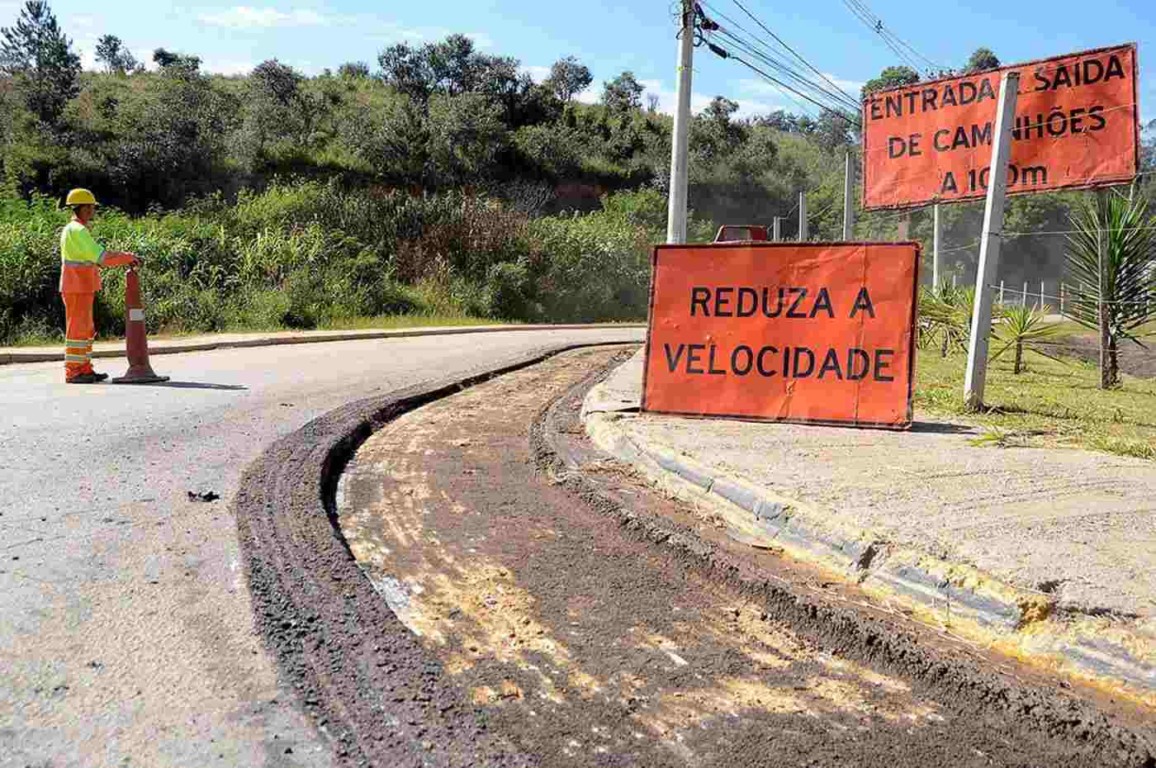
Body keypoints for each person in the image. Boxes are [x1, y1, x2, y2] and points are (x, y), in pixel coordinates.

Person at [59, 189, 139, 383]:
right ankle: (74, 371)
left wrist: (123, 255)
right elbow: (101, 257)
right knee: (77, 330)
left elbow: (98, 256)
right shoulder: (77, 230)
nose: (93, 211)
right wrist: (127, 257)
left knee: (85, 330)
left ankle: (84, 368)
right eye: (91, 208)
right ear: (84, 209)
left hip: (82, 286)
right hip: (76, 286)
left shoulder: (76, 230)